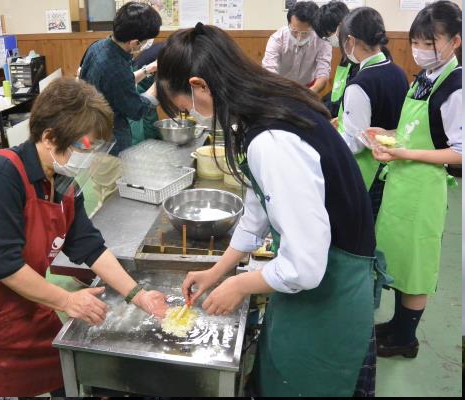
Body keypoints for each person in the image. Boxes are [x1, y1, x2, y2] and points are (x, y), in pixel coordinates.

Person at [157, 23, 384, 397]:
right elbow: (257, 206)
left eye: (185, 108)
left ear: (200, 86)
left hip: (332, 296)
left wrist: (239, 285)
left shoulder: (273, 140)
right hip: (314, 289)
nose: (191, 116)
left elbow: (304, 267)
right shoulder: (264, 108)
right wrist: (219, 270)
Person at [0, 78, 168, 396]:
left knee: (62, 369)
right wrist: (66, 300)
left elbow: (89, 245)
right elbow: (1, 262)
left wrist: (138, 295)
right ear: (50, 138)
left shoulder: (61, 180)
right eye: (84, 147)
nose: (88, 157)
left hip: (22, 298)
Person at [369, 1, 462, 358]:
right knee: (400, 260)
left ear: (455, 41)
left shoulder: (455, 87)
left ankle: (406, 339)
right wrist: (387, 133)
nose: (421, 50)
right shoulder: (426, 77)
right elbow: (416, 129)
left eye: (430, 42)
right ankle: (395, 326)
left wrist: (404, 153)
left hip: (423, 188)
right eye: (417, 42)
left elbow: (459, 153)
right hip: (402, 184)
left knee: (418, 265)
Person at [79, 2, 162, 205]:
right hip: (108, 142)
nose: (148, 44)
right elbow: (136, 109)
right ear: (134, 42)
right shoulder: (114, 66)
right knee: (112, 199)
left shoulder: (99, 46)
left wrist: (146, 70)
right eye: (146, 41)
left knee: (103, 188)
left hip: (92, 133)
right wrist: (158, 88)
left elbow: (115, 86)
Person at [337, 7, 409, 219]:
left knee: (364, 232)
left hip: (367, 173)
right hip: (395, 166)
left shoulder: (360, 84)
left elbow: (356, 143)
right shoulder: (397, 71)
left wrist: (327, 138)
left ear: (350, 40)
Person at [262, 1, 332, 93]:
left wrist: (310, 93)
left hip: (309, 88)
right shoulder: (278, 38)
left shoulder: (322, 41)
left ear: (314, 27)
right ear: (289, 23)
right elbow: (269, 69)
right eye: (294, 31)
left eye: (305, 33)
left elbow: (323, 74)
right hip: (279, 85)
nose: (299, 37)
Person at [312, 1, 358, 116]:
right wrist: (319, 102)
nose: (328, 39)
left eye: (328, 34)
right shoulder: (346, 55)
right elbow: (338, 92)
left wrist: (319, 108)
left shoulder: (358, 58)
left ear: (341, 26)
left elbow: (347, 100)